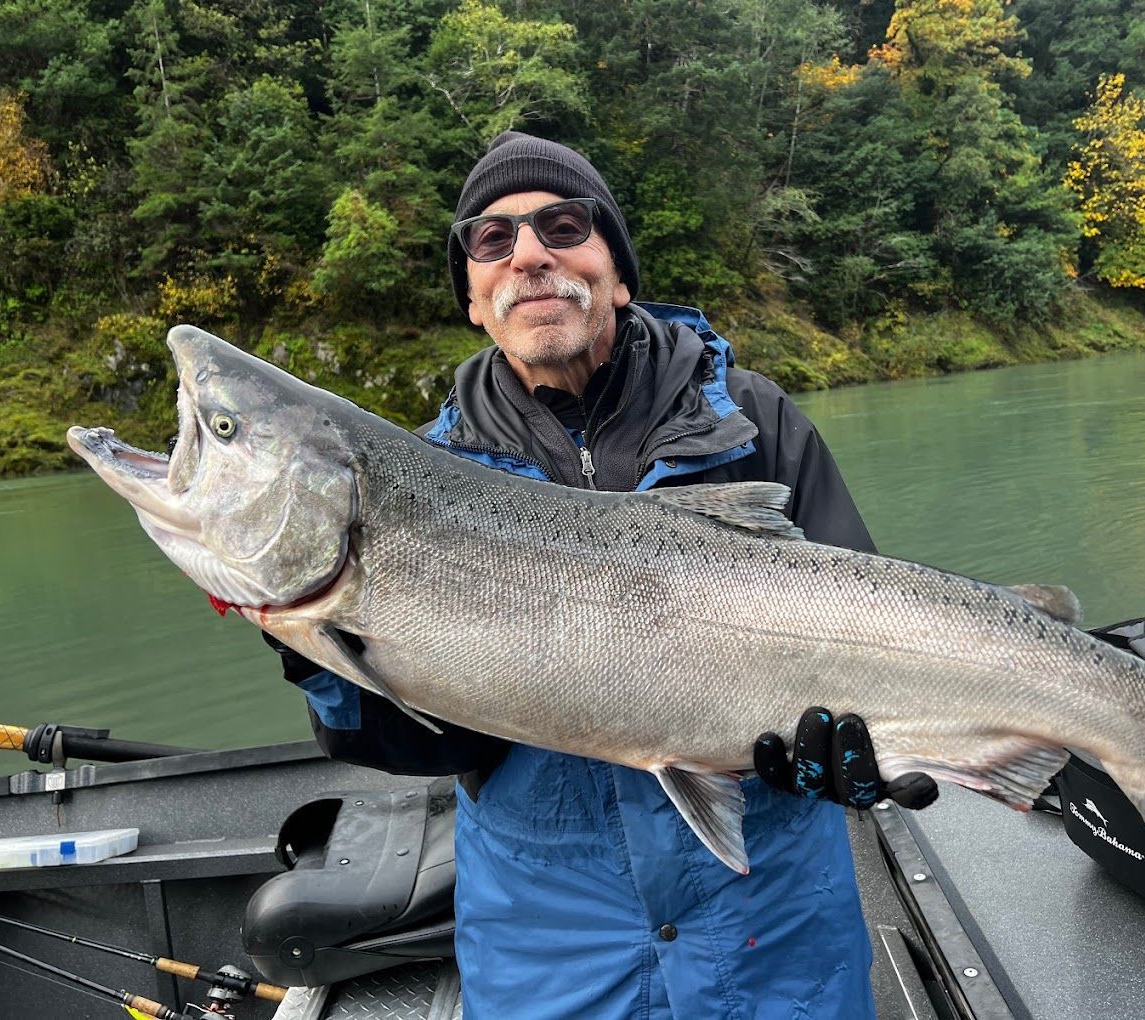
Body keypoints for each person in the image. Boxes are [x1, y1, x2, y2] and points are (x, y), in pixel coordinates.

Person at [266, 131, 937, 1018]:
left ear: (619, 273)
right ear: (474, 299)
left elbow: (867, 616)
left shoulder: (752, 418)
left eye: (564, 225)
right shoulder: (420, 482)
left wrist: (862, 742)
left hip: (771, 923)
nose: (531, 254)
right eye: (492, 240)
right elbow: (435, 743)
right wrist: (317, 645)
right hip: (550, 939)